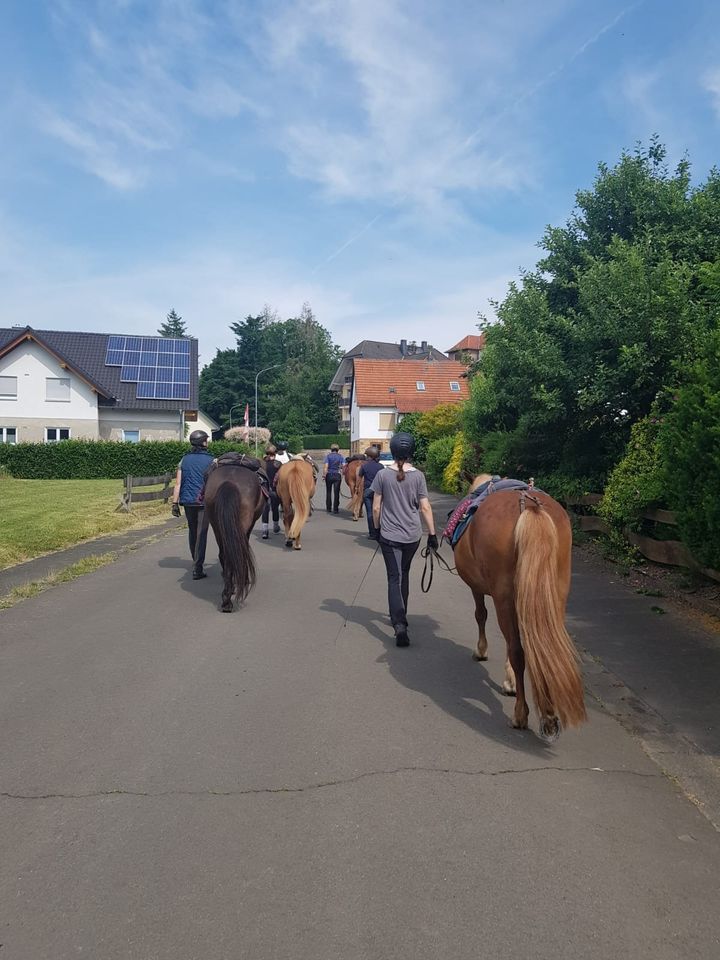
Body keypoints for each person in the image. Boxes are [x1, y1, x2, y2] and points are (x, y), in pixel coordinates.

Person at [371, 432, 438, 647]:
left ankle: (399, 625)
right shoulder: (419, 476)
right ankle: (403, 615)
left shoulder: (382, 475)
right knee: (405, 574)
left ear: (392, 449)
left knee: (394, 577)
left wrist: (377, 529)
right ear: (411, 452)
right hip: (412, 535)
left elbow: (375, 507)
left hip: (389, 535)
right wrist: (433, 534)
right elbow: (425, 507)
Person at [171, 429, 215, 580]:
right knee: (201, 533)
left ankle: (195, 560)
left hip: (187, 501)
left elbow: (178, 483)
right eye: (206, 440)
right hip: (203, 501)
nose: (207, 442)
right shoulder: (212, 460)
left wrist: (174, 503)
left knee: (192, 531)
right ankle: (198, 567)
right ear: (203, 442)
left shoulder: (184, 459)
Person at [358, 446, 384, 540]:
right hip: (379, 491)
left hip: (368, 490)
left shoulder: (364, 466)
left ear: (369, 456)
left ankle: (372, 534)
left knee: (370, 512)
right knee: (379, 511)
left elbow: (359, 477)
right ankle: (380, 530)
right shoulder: (381, 466)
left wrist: (357, 487)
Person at [260, 444, 282, 539]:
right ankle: (276, 526)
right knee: (275, 508)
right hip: (275, 489)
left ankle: (265, 530)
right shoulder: (278, 464)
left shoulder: (262, 464)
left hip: (264, 489)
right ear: (275, 453)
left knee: (265, 508)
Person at [323, 442, 344, 514]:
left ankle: (328, 508)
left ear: (331, 449)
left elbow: (326, 467)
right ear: (338, 449)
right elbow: (343, 466)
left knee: (328, 492)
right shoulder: (340, 457)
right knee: (336, 492)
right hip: (337, 475)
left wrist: (324, 475)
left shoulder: (328, 456)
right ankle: (335, 509)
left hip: (329, 475)